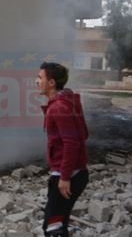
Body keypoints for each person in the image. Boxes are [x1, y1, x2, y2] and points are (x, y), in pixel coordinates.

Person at [37, 62, 89, 237]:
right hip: (75, 173)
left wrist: (65, 177)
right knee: (58, 221)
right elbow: (84, 134)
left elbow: (72, 143)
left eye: (40, 77)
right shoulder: (68, 102)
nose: (37, 81)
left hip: (68, 175)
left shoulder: (59, 107)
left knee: (54, 226)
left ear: (51, 83)